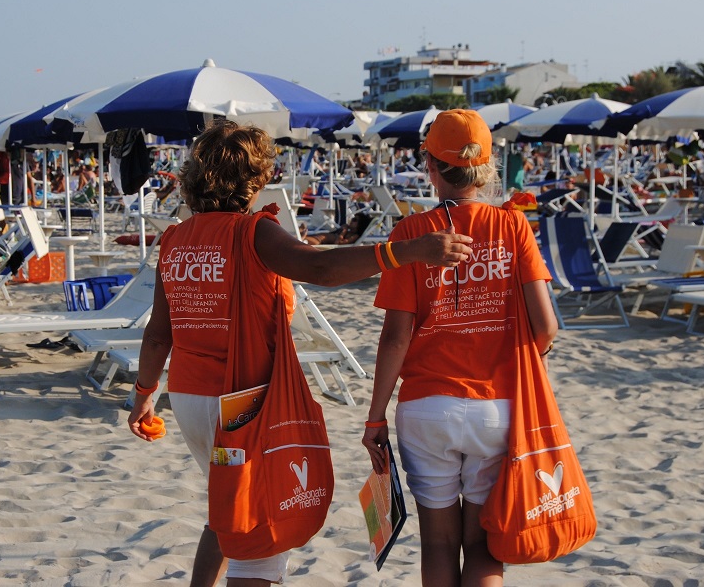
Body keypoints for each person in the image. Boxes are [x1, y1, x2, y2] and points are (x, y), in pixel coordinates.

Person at [127, 119, 474, 587]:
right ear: (258, 177)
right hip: (246, 404)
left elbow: (157, 336)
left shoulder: (175, 239)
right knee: (261, 530)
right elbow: (321, 267)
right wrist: (404, 251)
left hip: (190, 398)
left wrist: (144, 394)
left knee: (231, 506)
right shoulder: (254, 233)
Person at [361, 109, 558, 587]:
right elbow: (547, 327)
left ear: (431, 167)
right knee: (485, 547)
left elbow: (395, 336)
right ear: (485, 168)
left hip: (427, 408)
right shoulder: (512, 227)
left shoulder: (409, 236)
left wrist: (374, 416)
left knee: (439, 543)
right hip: (496, 405)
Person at [303, 212, 373, 245]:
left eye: (354, 220)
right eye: (352, 219)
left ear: (360, 224)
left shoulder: (354, 236)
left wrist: (343, 231)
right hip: (318, 238)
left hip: (319, 241)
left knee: (300, 239)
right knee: (299, 237)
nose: (351, 221)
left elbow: (338, 243)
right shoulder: (349, 232)